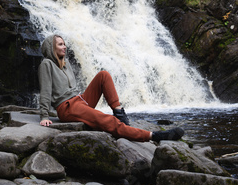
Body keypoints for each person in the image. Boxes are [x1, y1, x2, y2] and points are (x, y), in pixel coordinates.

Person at [38, 34, 184, 142]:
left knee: (103, 75)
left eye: (64, 44)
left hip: (80, 100)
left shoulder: (65, 63)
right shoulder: (46, 64)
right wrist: (44, 116)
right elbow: (45, 90)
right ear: (51, 47)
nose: (64, 47)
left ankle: (119, 113)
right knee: (104, 119)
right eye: (60, 44)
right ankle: (153, 136)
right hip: (67, 107)